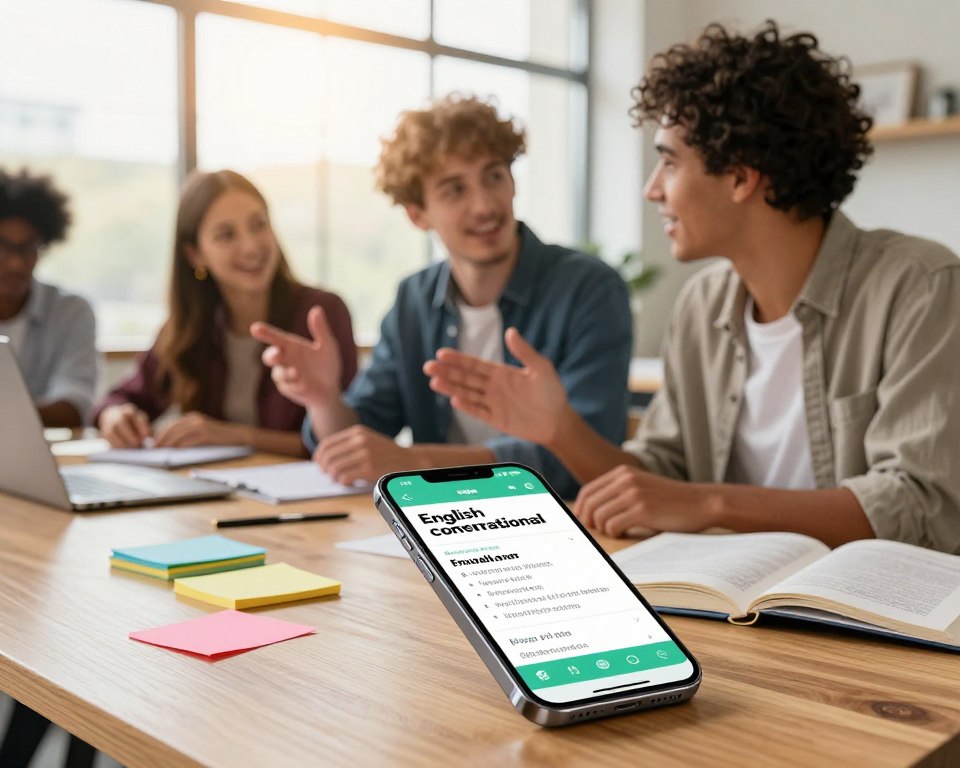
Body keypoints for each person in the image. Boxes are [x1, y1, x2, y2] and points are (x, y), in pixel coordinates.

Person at [424, 21, 960, 554]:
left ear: (740, 176)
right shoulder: (702, 305)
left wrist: (711, 505)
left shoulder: (919, 287)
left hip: (875, 623)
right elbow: (657, 481)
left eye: (669, 161)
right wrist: (560, 430)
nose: (651, 188)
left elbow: (918, 503)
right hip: (734, 608)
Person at [252, 95, 632, 497]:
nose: (485, 205)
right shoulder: (413, 300)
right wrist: (324, 399)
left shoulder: (589, 289)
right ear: (418, 215)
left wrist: (418, 464)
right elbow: (356, 444)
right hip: (446, 522)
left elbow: (588, 459)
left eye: (494, 176)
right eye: (455, 190)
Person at [92, 170, 357, 456]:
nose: (250, 245)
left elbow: (347, 440)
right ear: (195, 255)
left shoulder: (321, 313)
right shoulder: (188, 326)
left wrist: (229, 436)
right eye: (226, 235)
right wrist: (115, 416)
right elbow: (122, 398)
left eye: (259, 225)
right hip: (217, 495)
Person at [0, 168, 97, 427]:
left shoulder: (70, 311)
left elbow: (75, 403)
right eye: (3, 246)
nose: (16, 263)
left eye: (28, 248)